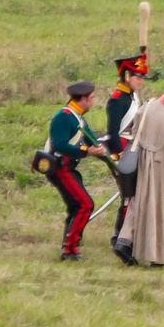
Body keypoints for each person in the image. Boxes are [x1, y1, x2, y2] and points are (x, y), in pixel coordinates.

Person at [120, 69, 164, 267]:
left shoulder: (149, 104)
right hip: (160, 165)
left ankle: (124, 241)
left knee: (138, 202)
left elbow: (134, 130)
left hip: (140, 159)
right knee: (158, 210)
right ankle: (157, 256)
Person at [44, 80, 107, 261]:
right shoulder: (64, 117)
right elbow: (61, 146)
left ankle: (70, 245)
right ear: (83, 99)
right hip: (60, 167)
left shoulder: (77, 115)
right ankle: (70, 249)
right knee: (85, 204)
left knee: (76, 206)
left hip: (68, 167)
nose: (93, 102)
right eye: (92, 98)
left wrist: (106, 154)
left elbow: (92, 140)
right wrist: (87, 152)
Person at [103, 53, 147, 251]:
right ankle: (119, 235)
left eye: (142, 77)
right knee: (128, 196)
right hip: (123, 152)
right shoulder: (117, 100)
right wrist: (120, 156)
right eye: (138, 77)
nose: (141, 81)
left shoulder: (132, 96)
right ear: (127, 76)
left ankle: (125, 234)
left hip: (134, 148)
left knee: (133, 196)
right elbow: (112, 132)